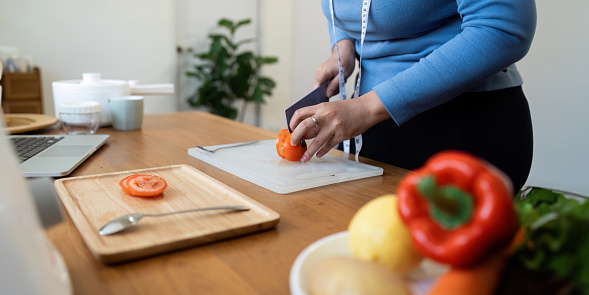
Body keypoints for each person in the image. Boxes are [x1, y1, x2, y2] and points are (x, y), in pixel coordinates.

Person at [288, 0, 537, 191]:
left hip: (463, 125)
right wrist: (342, 46)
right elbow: (345, 10)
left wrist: (365, 108)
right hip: (368, 121)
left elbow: (504, 27)